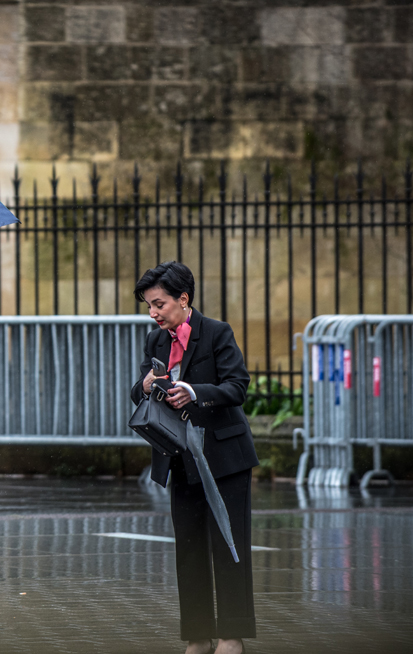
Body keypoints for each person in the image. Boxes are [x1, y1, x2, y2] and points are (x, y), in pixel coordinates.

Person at [130, 261, 257, 654]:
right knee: (188, 549)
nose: (153, 313)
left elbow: (237, 386)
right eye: (149, 305)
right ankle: (198, 638)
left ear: (183, 300)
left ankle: (231, 637)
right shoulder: (156, 342)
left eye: (159, 304)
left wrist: (194, 391)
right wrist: (145, 384)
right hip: (180, 457)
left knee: (229, 544)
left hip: (224, 457)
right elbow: (140, 394)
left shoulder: (217, 333)